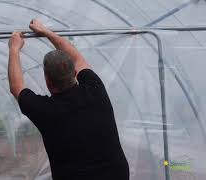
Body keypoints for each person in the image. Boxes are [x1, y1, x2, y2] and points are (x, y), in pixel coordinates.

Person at [8, 19, 129, 180]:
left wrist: (14, 48)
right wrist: (46, 32)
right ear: (74, 73)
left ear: (47, 80)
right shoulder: (95, 89)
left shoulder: (45, 110)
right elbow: (78, 59)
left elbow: (16, 86)